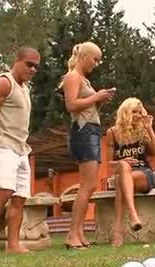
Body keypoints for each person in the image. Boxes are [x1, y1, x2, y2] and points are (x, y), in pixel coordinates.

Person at [0, 46, 40, 257]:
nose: (33, 69)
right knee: (4, 192)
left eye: (36, 67)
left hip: (21, 149)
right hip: (2, 146)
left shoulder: (25, 88)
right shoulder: (4, 82)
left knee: (19, 198)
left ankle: (13, 244)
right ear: (17, 61)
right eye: (29, 64)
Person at [60, 42, 116, 250]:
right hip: (83, 131)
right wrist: (96, 96)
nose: (96, 64)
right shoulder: (72, 77)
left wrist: (100, 101)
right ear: (84, 56)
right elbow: (71, 105)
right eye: (95, 59)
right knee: (87, 186)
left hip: (91, 129)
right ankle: (72, 235)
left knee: (90, 186)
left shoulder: (85, 80)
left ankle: (80, 233)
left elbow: (87, 107)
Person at [107, 98, 155, 247]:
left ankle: (118, 229)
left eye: (140, 112)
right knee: (123, 168)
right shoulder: (112, 133)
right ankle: (132, 217)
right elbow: (109, 165)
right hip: (123, 173)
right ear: (125, 113)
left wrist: (149, 128)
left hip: (143, 173)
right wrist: (122, 161)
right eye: (134, 112)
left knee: (120, 179)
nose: (138, 115)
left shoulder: (142, 130)